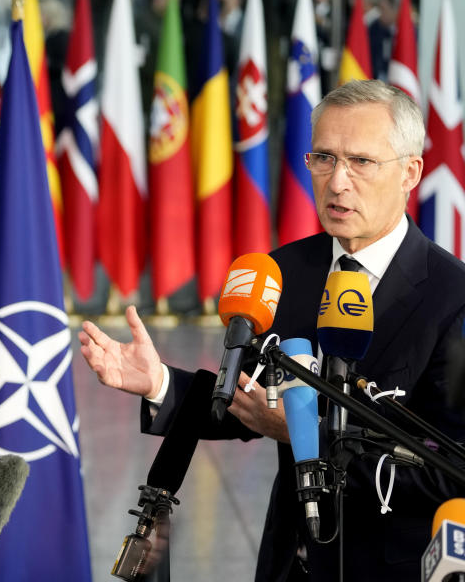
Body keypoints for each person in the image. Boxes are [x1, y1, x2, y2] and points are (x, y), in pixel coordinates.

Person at [80, 79, 465, 581]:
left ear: (410, 172)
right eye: (323, 158)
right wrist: (159, 383)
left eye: (361, 162)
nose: (337, 181)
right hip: (291, 563)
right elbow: (247, 406)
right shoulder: (281, 273)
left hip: (393, 566)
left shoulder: (451, 298)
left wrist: (309, 437)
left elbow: (449, 473)